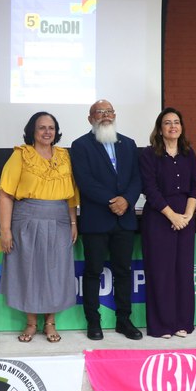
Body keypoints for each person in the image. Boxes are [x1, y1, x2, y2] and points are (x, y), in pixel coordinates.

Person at [0, 112, 79, 343]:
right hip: (27, 220)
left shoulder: (64, 157)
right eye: (42, 127)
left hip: (60, 220)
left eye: (51, 128)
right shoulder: (21, 155)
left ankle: (50, 323)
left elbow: (71, 196)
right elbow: (5, 194)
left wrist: (73, 222)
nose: (47, 132)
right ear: (32, 131)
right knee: (28, 270)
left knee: (56, 271)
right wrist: (5, 230)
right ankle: (31, 323)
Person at [70, 99, 142, 341]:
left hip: (125, 220)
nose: (105, 115)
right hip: (97, 220)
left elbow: (137, 178)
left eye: (109, 111)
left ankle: (124, 321)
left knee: (123, 272)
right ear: (90, 118)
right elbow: (85, 181)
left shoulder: (129, 144)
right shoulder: (80, 145)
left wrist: (127, 200)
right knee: (93, 272)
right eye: (99, 112)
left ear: (115, 115)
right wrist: (113, 201)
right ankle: (93, 322)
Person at [139, 108, 196, 339]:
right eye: (167, 122)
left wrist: (186, 215)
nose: (173, 126)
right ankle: (162, 325)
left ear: (181, 127)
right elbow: (150, 189)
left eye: (176, 122)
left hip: (186, 218)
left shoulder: (188, 153)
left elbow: (195, 187)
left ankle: (182, 322)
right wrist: (172, 216)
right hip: (159, 218)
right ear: (160, 128)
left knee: (183, 272)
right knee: (161, 272)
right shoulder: (148, 154)